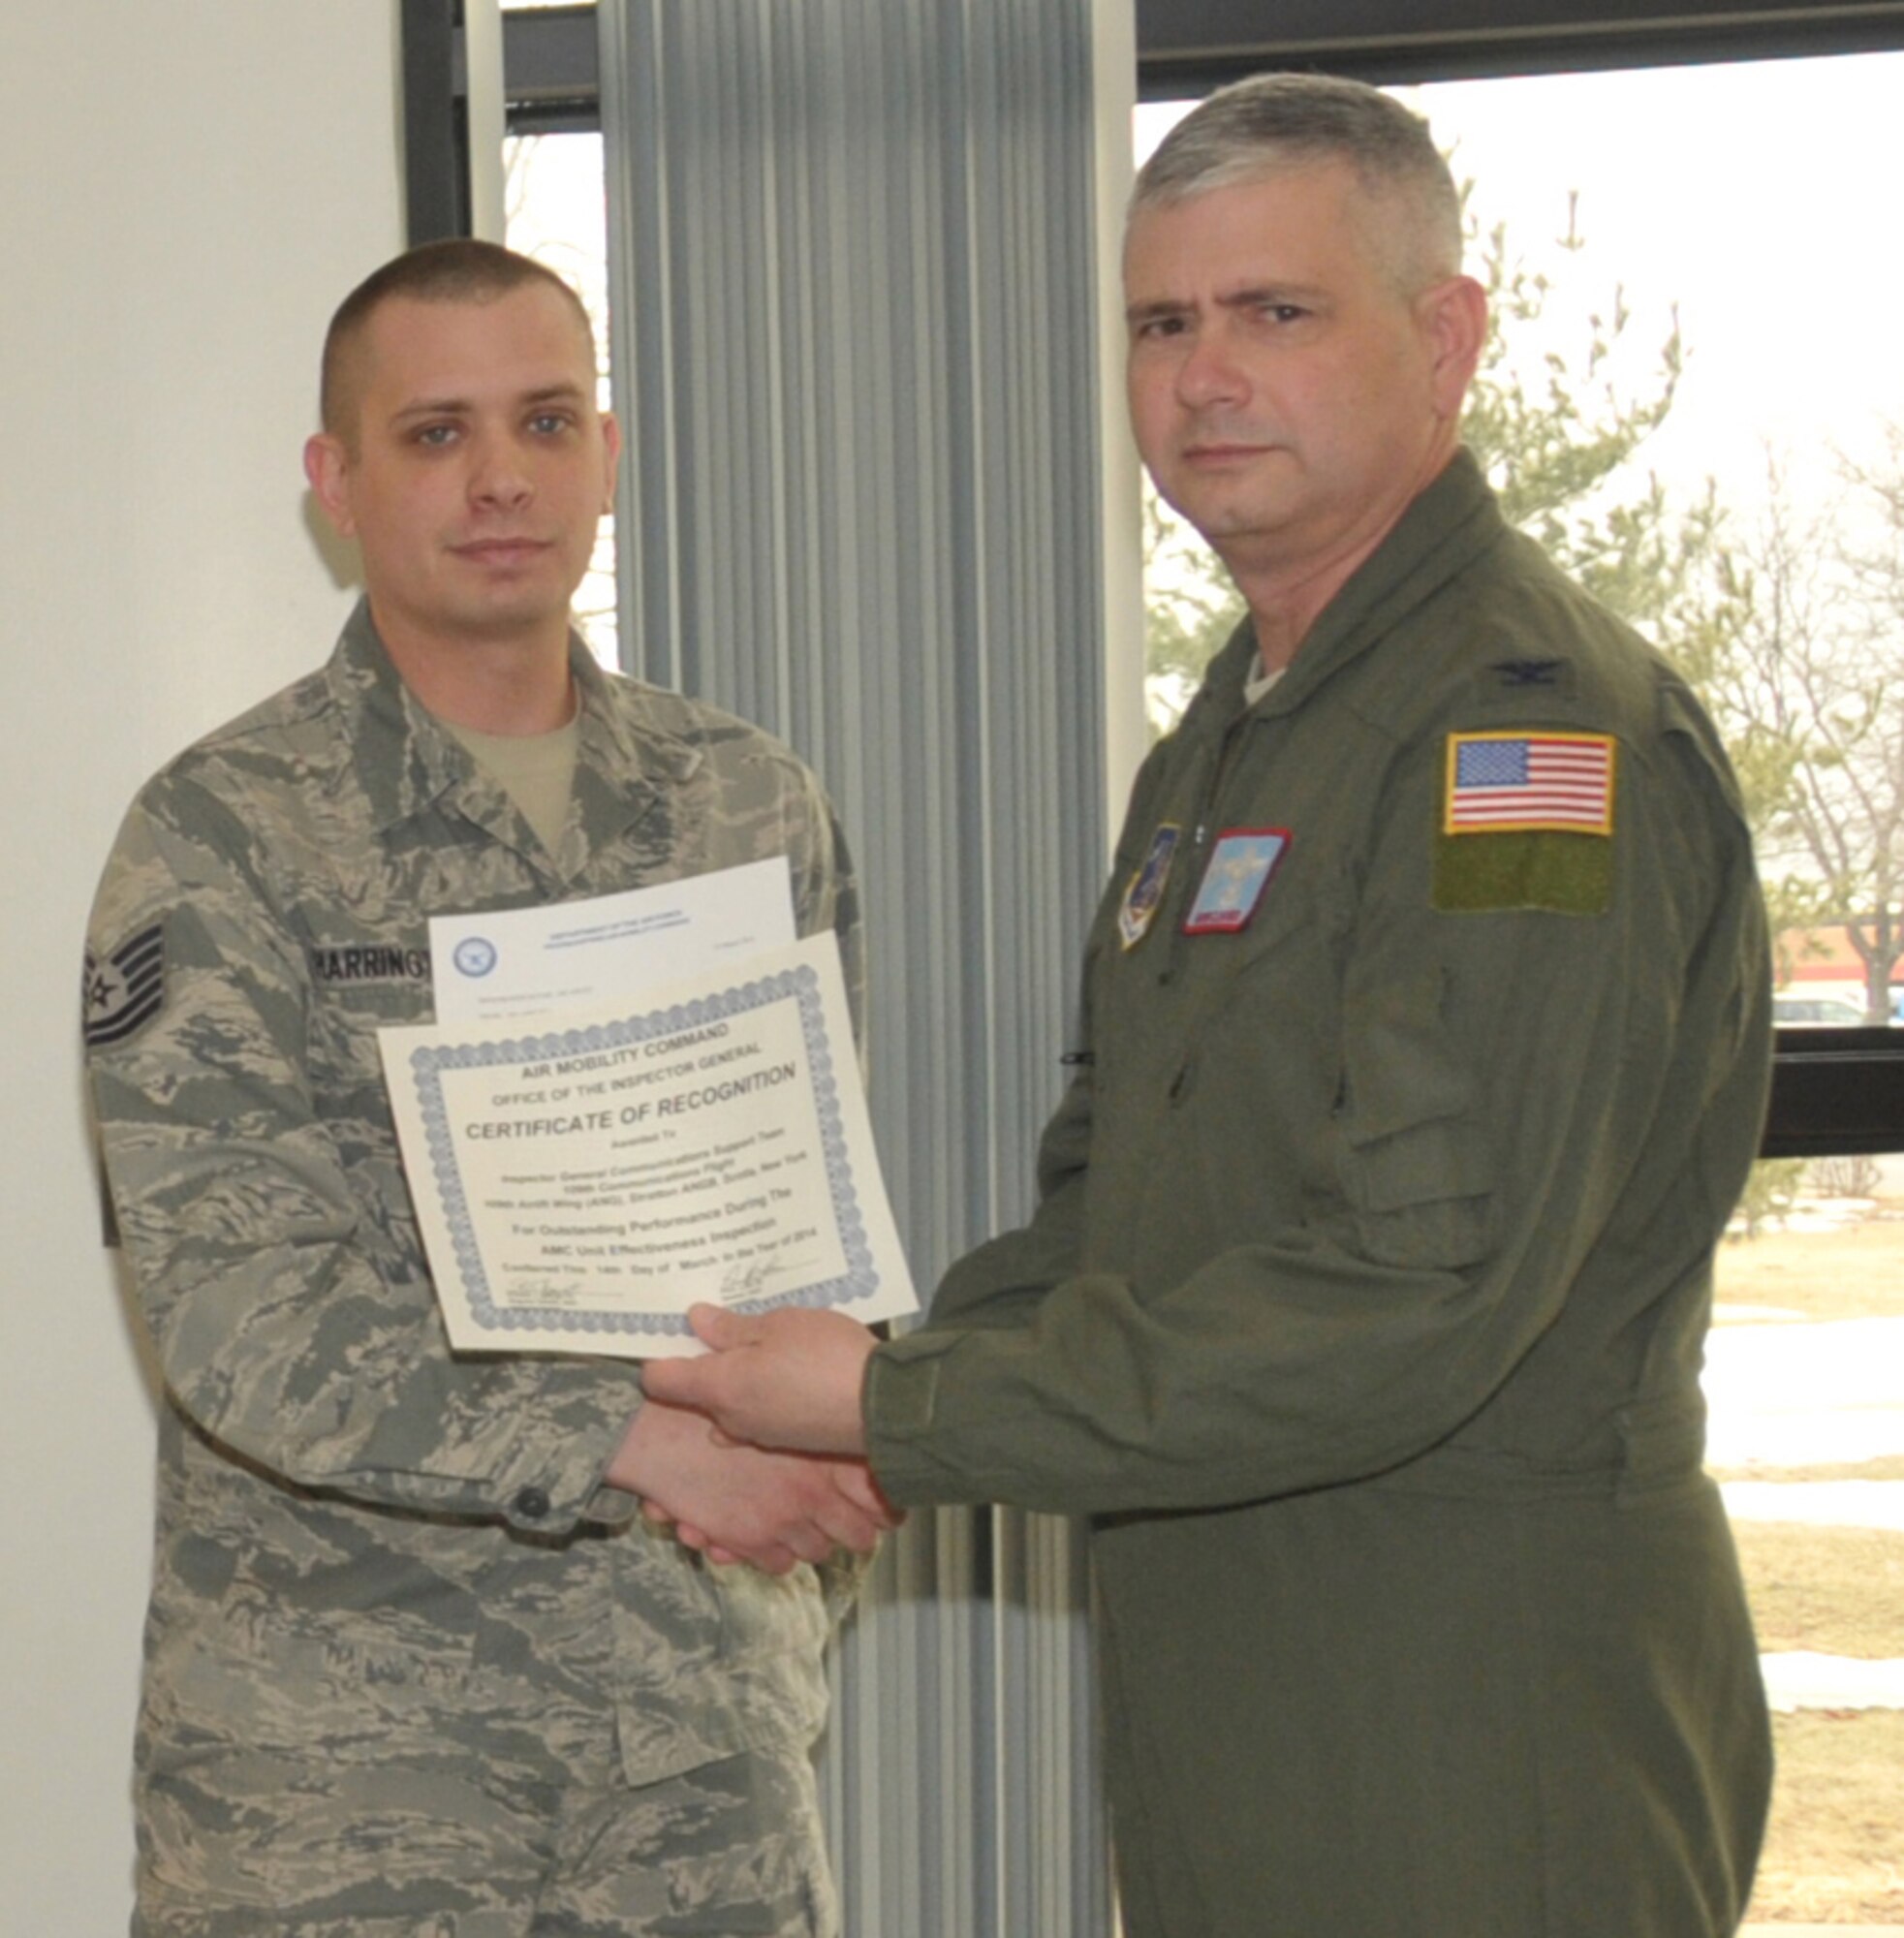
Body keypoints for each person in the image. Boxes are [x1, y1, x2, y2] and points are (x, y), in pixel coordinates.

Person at [648, 74, 1775, 1938]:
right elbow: (1122, 1216)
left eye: (1276, 313)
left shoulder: (1527, 738)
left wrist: (893, 1402)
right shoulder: (1237, 737)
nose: (1202, 375)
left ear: (1445, 341)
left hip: (1471, 1704)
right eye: (1160, 323)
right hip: (1244, 1668)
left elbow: (1414, 1294)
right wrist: (841, 1394)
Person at [82, 239, 895, 1938]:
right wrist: (644, 1447)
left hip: (704, 1752)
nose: (500, 477)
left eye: (541, 420)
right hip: (351, 1789)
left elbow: (802, 1237)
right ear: (338, 480)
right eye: (435, 434)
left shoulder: (746, 807)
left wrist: (841, 1440)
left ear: (608, 448)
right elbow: (239, 1313)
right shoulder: (222, 834)